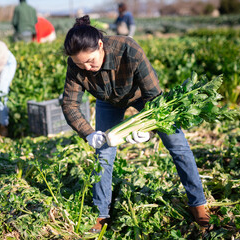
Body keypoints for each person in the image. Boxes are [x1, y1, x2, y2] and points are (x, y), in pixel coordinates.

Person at [61, 15, 210, 233]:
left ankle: (198, 204)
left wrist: (147, 130)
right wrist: (88, 133)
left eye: (91, 61)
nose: (87, 68)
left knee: (177, 143)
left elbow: (154, 97)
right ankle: (101, 213)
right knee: (103, 153)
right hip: (108, 101)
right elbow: (70, 105)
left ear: (100, 45)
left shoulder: (129, 49)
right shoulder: (77, 66)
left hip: (144, 97)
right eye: (80, 64)